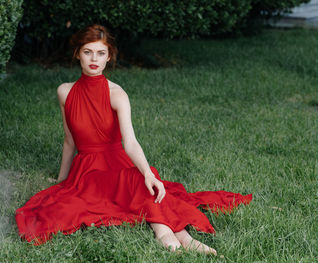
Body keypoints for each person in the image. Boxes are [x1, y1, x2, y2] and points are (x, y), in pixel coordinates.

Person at [15, 24, 252, 255]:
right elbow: (69, 141)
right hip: (88, 171)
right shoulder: (65, 91)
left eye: (101, 53)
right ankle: (173, 237)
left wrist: (147, 172)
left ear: (109, 57)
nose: (94, 59)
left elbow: (130, 141)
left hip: (119, 161)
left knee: (142, 180)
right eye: (88, 52)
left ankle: (180, 238)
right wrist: (62, 181)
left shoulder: (117, 94)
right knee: (103, 195)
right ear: (78, 54)